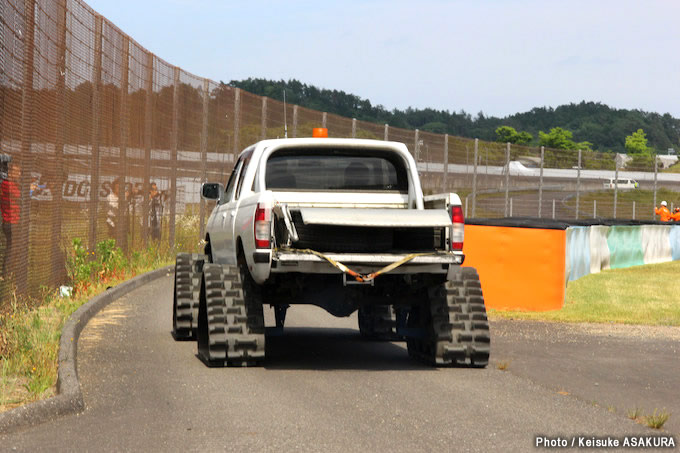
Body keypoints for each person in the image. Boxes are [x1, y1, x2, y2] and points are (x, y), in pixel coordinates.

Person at [1, 162, 21, 277]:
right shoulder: (7, 184)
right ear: (11, 173)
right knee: (11, 248)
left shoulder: (13, 184)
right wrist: (29, 190)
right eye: (16, 172)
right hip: (10, 223)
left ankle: (10, 272)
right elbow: (18, 195)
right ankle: (5, 273)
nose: (19, 174)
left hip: (14, 222)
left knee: (15, 247)